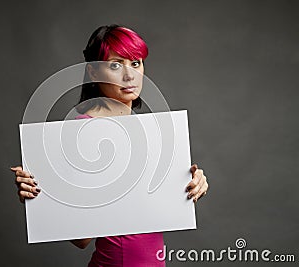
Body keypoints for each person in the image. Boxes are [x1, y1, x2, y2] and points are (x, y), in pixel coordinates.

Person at [11, 24, 209, 267]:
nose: (130, 75)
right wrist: (42, 197)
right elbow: (81, 239)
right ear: (94, 73)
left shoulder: (146, 131)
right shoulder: (82, 131)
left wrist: (190, 184)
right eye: (115, 65)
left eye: (135, 63)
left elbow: (153, 208)